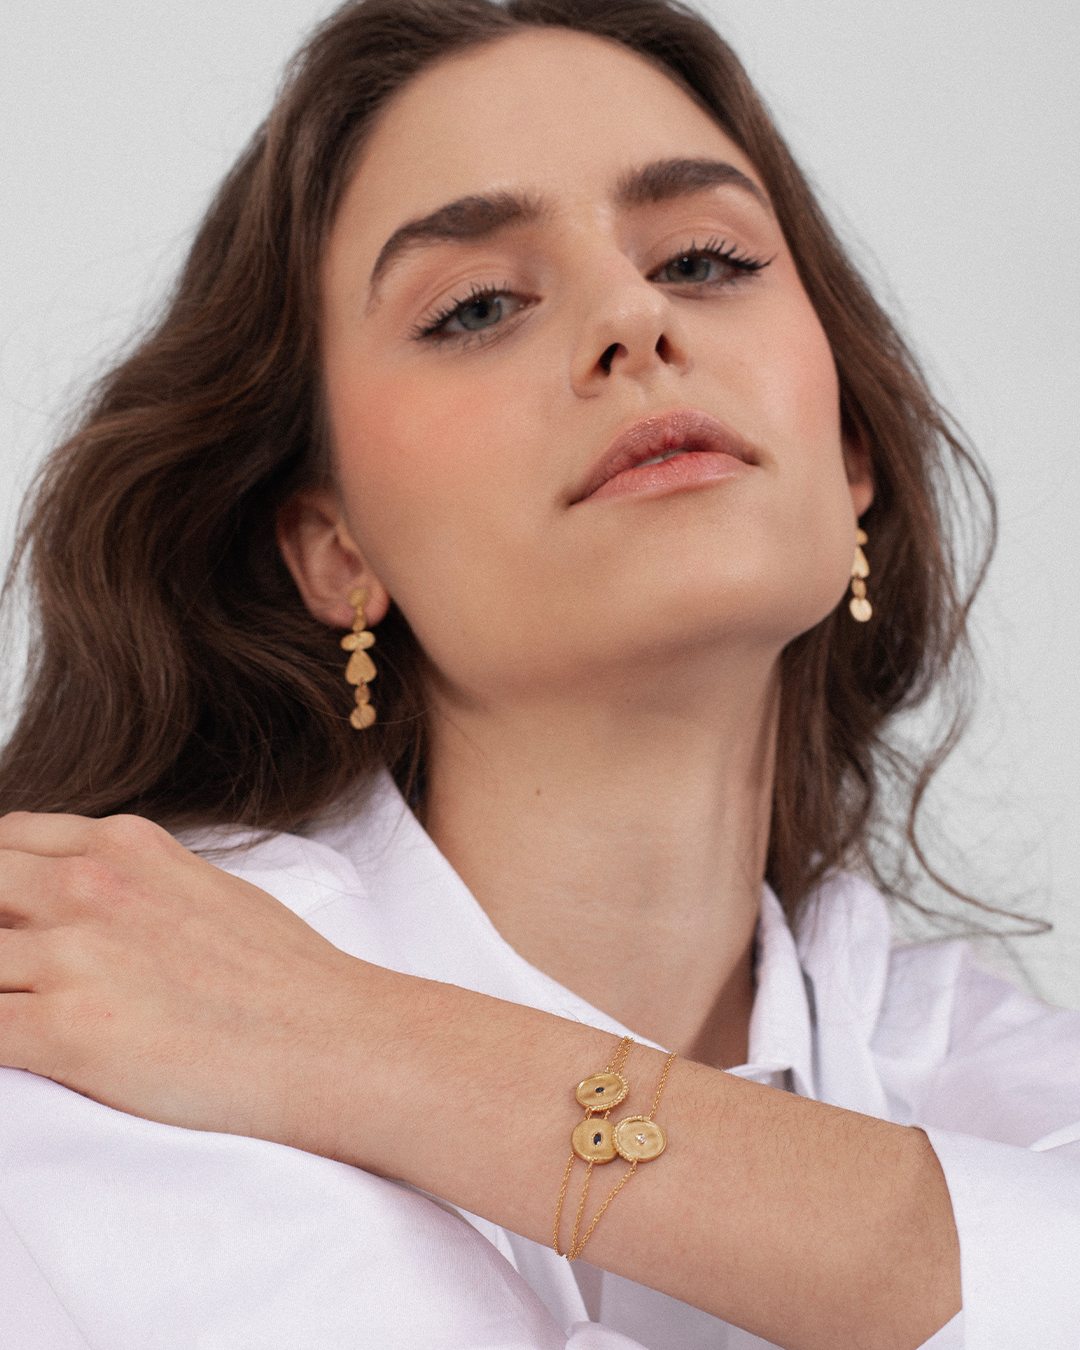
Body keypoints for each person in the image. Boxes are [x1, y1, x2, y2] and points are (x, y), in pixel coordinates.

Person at [0, 1, 1077, 1347]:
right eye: (476, 307)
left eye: (703, 258)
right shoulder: (116, 1011)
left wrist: (357, 1042)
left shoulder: (943, 1040)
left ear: (850, 456)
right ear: (337, 549)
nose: (634, 316)